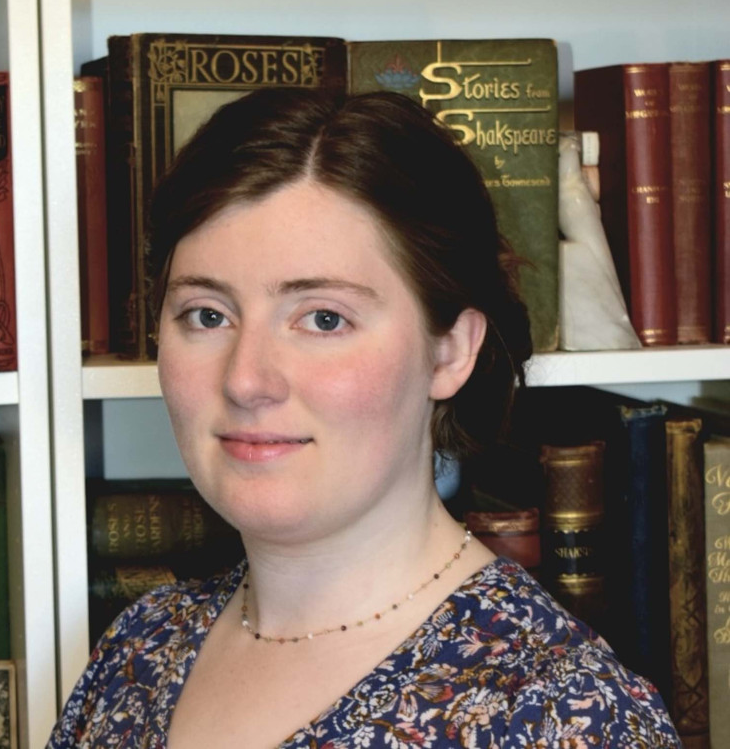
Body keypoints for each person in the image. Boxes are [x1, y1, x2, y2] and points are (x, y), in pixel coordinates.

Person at [47, 88, 680, 748]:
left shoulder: (568, 714)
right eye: (208, 315)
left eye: (324, 319)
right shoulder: (141, 648)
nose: (245, 380)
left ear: (450, 352)